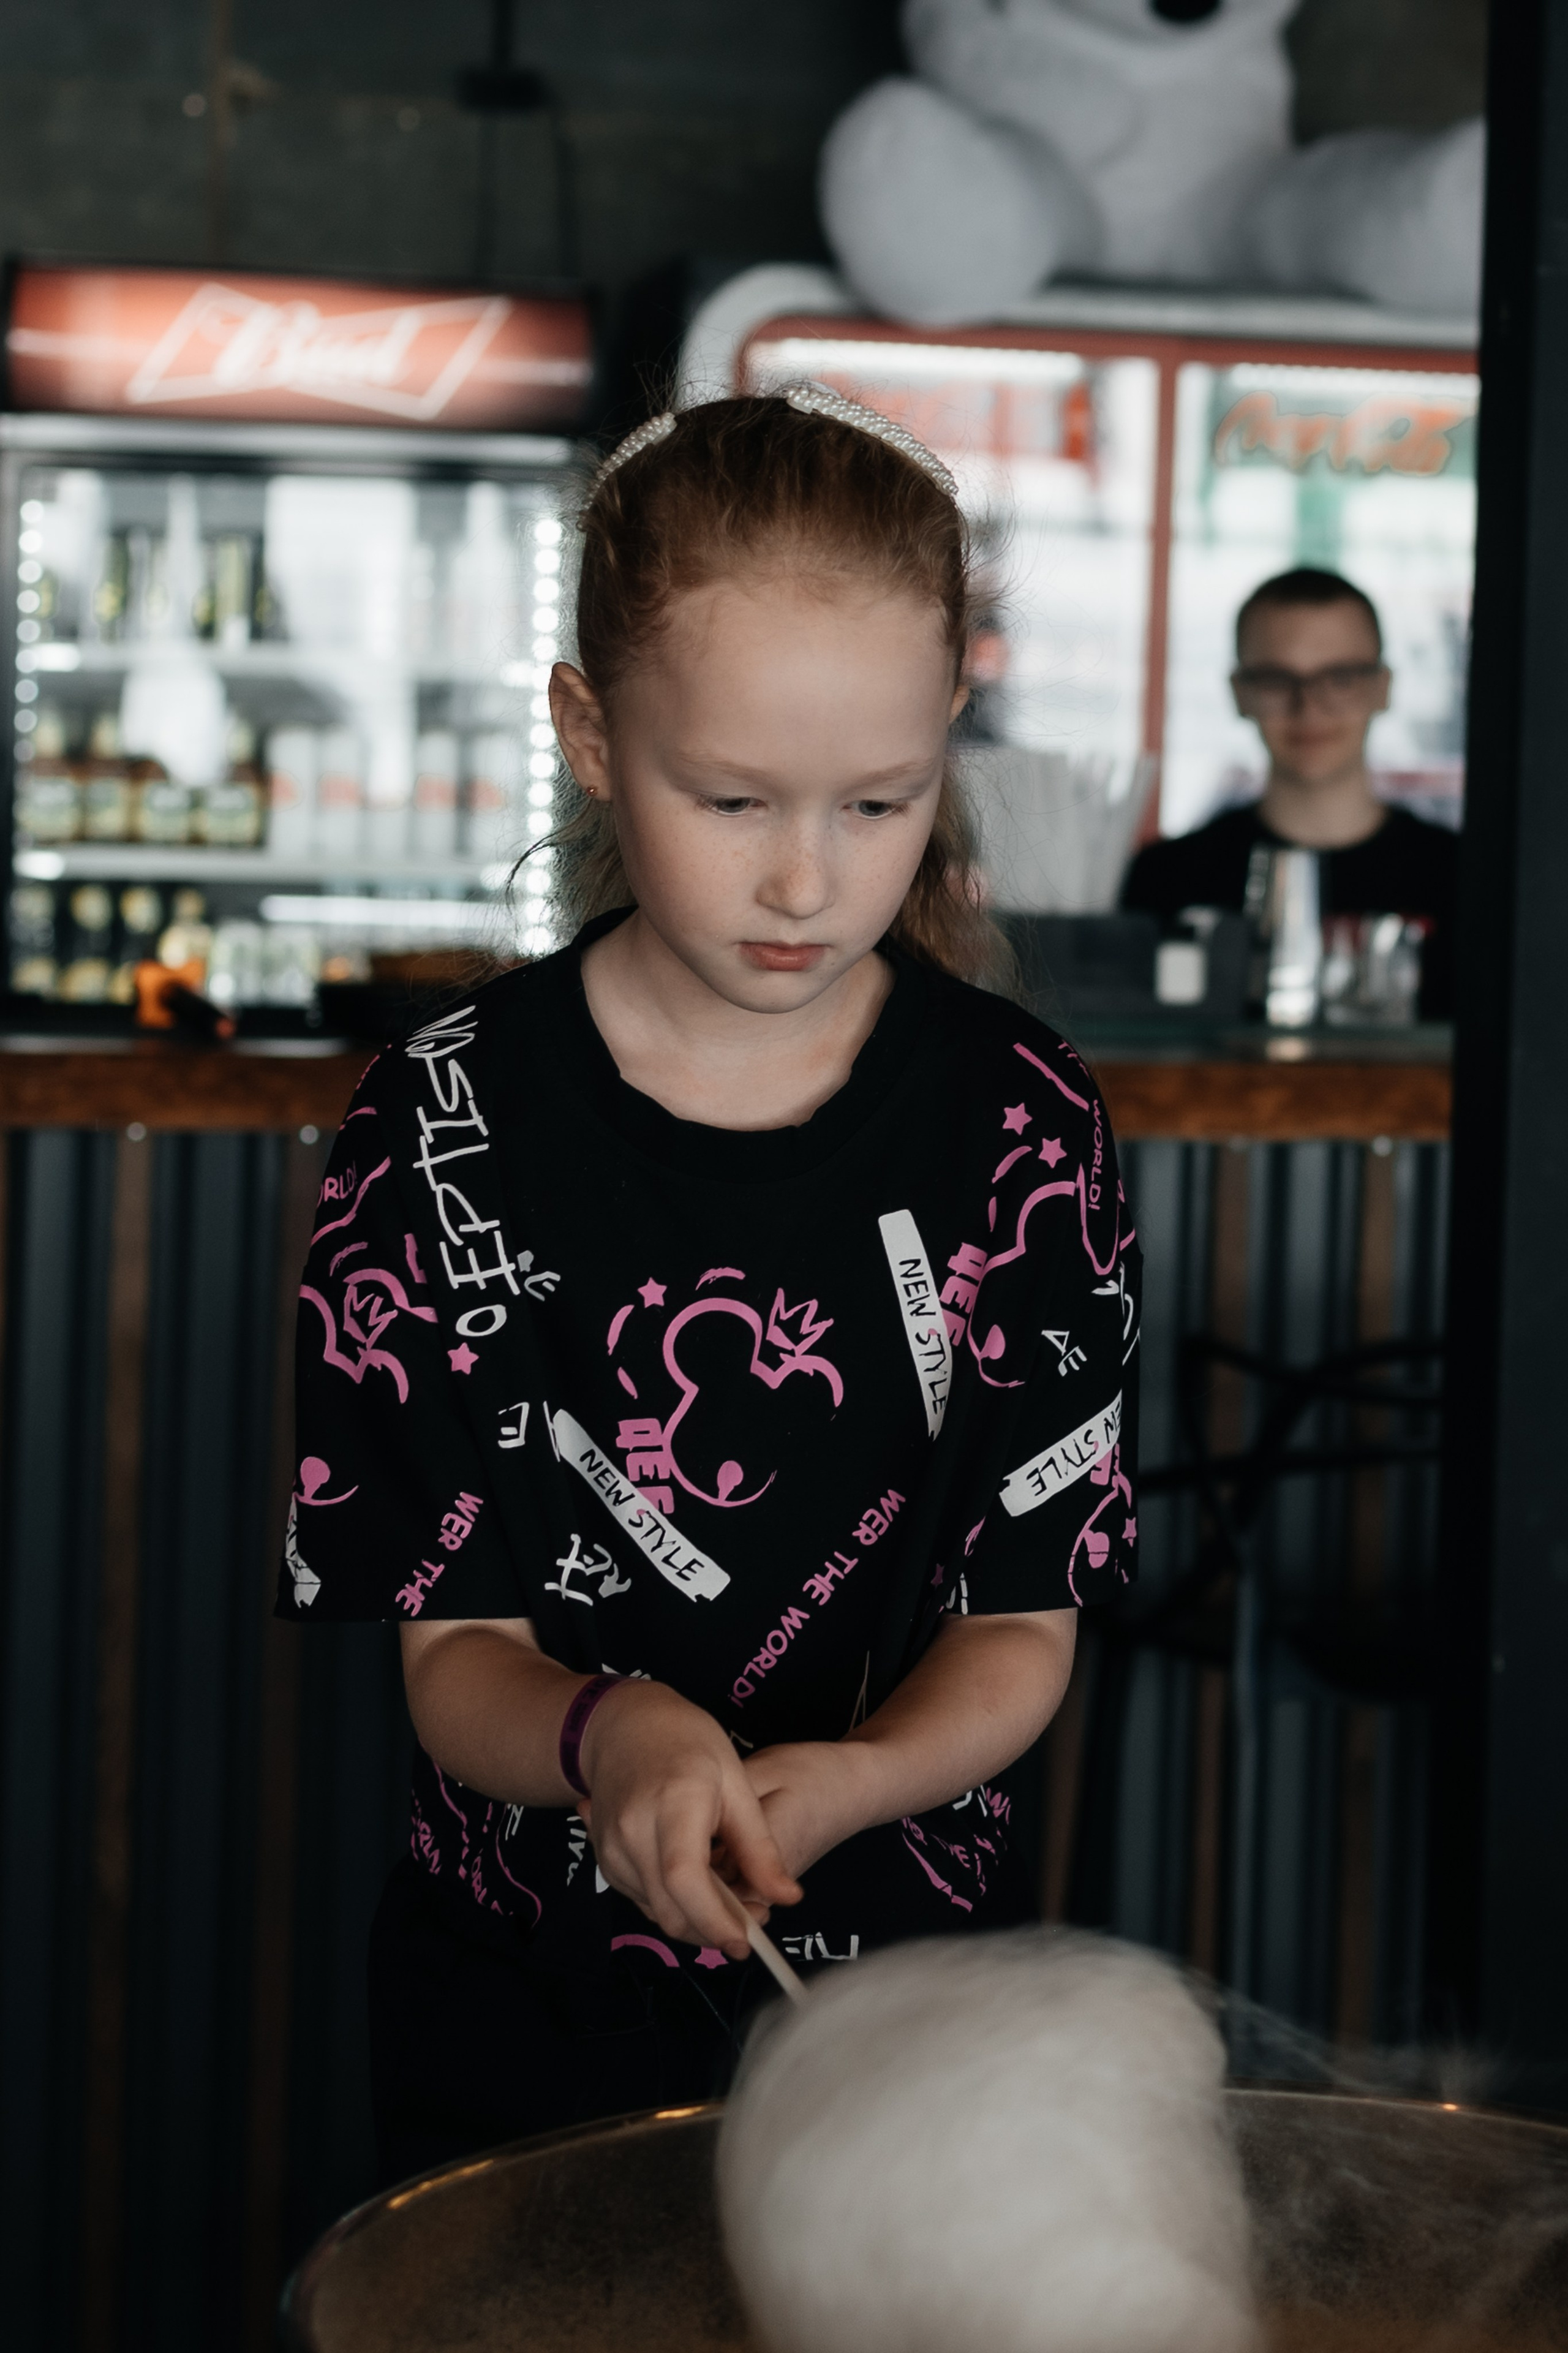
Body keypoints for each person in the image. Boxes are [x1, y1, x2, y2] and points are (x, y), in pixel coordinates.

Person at [279, 391, 1142, 2185]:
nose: (805, 878)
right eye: (731, 795)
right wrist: (615, 1731)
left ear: (945, 737)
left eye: (878, 800)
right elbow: (457, 1656)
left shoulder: (1022, 1122)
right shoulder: (436, 1122)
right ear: (589, 733)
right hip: (517, 2012)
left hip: (901, 2006)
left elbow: (1021, 1620)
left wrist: (854, 1777)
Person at [1121, 567, 1458, 1016]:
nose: (1309, 706)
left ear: (1383, 688)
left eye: (1340, 678)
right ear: (1240, 694)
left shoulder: (1462, 879)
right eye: (1278, 680)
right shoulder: (1168, 880)